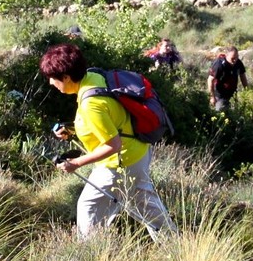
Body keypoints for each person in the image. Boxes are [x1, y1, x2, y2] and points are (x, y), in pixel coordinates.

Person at [41, 42, 176, 239]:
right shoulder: (93, 77)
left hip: (120, 164)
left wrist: (76, 163)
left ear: (66, 77)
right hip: (137, 152)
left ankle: (92, 253)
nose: (51, 83)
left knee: (89, 208)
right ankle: (175, 245)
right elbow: (111, 119)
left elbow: (113, 145)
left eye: (52, 78)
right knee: (144, 206)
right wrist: (72, 130)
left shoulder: (91, 104)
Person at [207, 46, 248, 111]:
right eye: (232, 58)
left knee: (235, 113)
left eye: (236, 57)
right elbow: (210, 80)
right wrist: (212, 97)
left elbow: (242, 76)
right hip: (220, 95)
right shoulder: (219, 65)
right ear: (226, 56)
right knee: (220, 113)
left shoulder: (238, 63)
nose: (235, 60)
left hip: (232, 94)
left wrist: (247, 91)